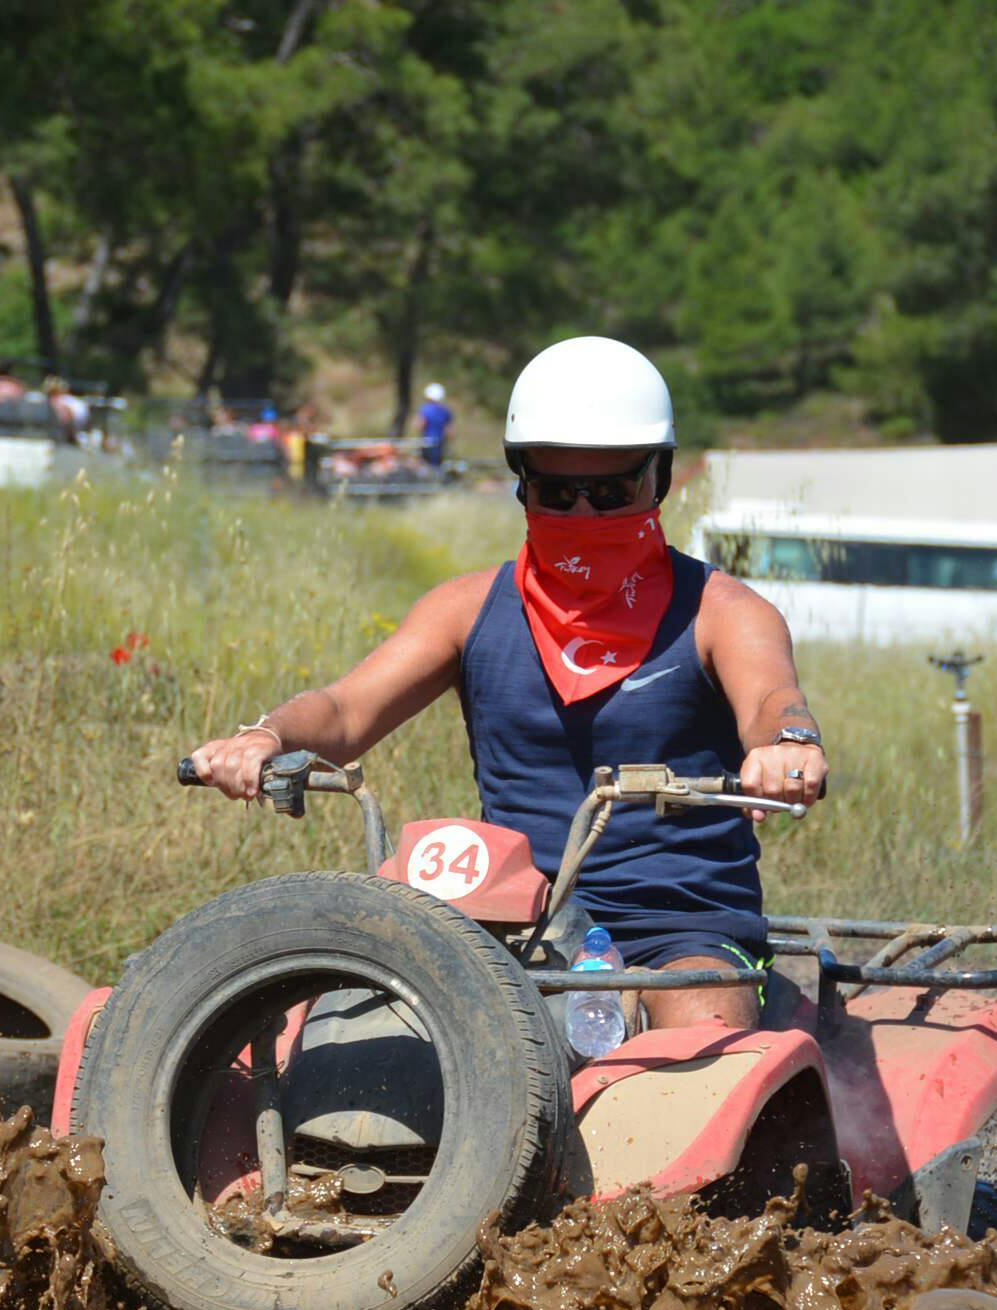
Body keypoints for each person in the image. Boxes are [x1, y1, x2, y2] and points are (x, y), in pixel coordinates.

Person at [187, 337, 827, 1029]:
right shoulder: (466, 609)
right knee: (340, 1031)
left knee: (704, 1028)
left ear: (660, 479)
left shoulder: (721, 611)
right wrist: (264, 736)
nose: (583, 515)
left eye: (611, 491)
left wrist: (788, 743)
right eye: (558, 491)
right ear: (523, 482)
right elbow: (345, 710)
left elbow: (771, 697)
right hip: (508, 916)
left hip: (678, 926)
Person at [418, 380, 453, 466]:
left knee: (426, 464)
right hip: (440, 442)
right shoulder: (445, 411)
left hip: (427, 442)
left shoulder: (426, 409)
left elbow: (421, 424)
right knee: (437, 465)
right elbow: (450, 431)